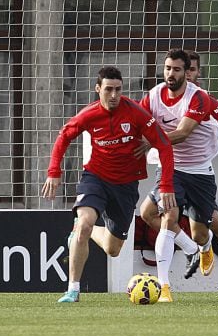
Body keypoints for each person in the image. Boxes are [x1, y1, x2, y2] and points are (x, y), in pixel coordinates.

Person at [136, 49, 218, 302]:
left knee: (204, 229)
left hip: (199, 171)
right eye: (168, 69)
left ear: (190, 72)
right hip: (171, 167)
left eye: (179, 69)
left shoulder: (201, 99)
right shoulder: (153, 96)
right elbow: (136, 120)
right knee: (161, 215)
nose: (171, 74)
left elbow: (202, 131)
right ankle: (164, 287)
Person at [42, 66, 176, 303]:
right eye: (108, 90)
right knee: (84, 224)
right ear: (98, 89)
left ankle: (87, 229)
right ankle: (73, 290)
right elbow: (64, 135)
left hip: (125, 186)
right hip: (95, 179)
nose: (114, 95)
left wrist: (166, 185)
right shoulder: (89, 115)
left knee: (113, 249)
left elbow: (164, 145)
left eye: (118, 90)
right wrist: (54, 171)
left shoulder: (136, 113)